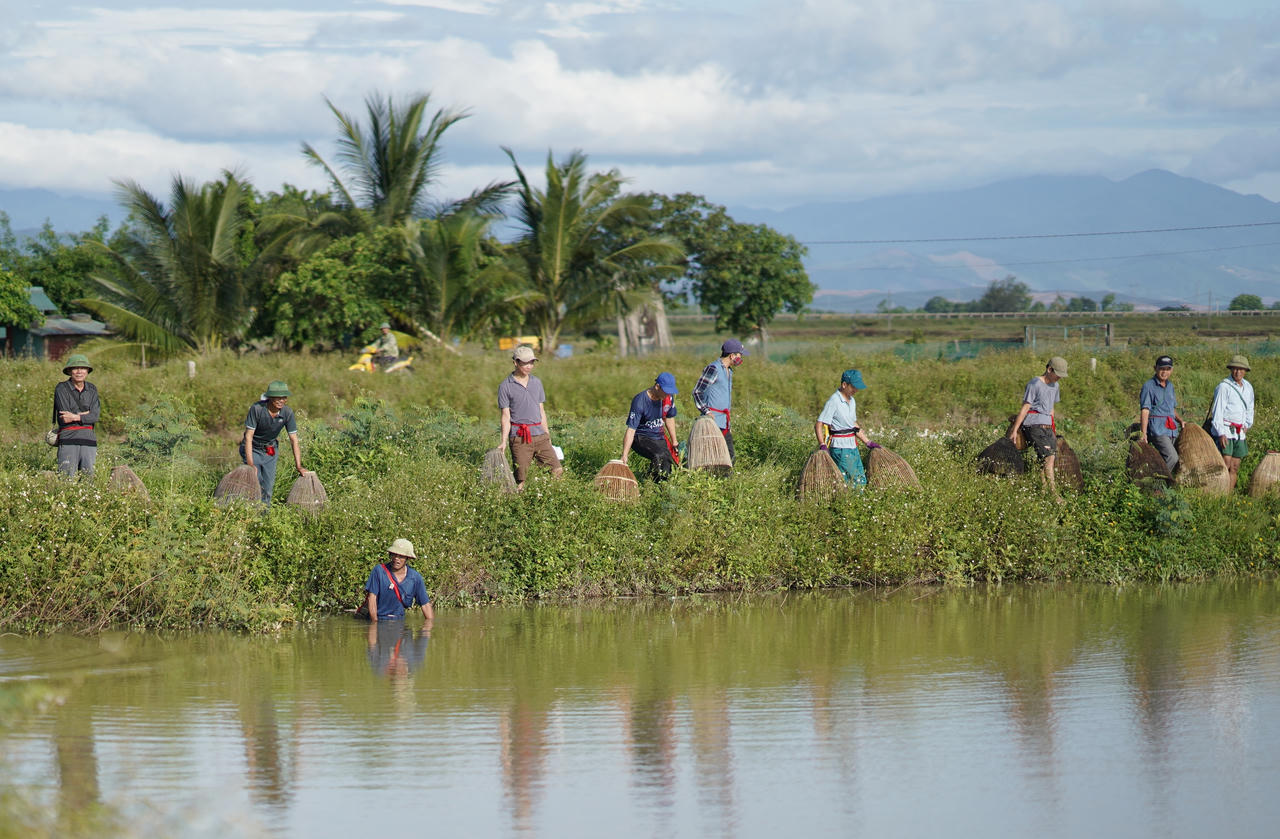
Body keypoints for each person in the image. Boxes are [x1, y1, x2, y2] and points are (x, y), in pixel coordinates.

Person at [498, 345, 564, 489]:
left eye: (532, 362)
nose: (529, 366)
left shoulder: (537, 382)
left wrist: (547, 434)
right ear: (515, 362)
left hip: (540, 435)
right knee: (521, 479)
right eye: (525, 363)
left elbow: (541, 411)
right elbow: (505, 416)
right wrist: (503, 441)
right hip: (519, 437)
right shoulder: (505, 386)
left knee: (557, 470)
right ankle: (518, 506)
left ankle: (550, 499)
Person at [240, 380, 308, 506]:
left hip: (270, 450)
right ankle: (250, 513)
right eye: (278, 397)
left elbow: (294, 439)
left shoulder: (287, 413)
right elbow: (248, 437)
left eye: (284, 397)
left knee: (268, 486)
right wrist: (250, 464)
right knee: (256, 481)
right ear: (270, 398)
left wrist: (299, 466)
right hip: (253, 448)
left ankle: (264, 517)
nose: (281, 400)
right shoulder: (257, 409)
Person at [1009, 356, 1068, 495]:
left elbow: (1051, 407)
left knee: (1046, 459)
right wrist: (1015, 429)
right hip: (1034, 425)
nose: (1059, 378)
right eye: (1057, 374)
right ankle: (1054, 494)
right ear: (1049, 369)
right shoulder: (1034, 384)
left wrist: (1053, 428)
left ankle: (1042, 491)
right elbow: (1025, 407)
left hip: (1048, 426)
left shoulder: (1056, 385)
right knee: (1049, 458)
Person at [814, 368, 879, 485]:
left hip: (853, 446)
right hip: (840, 448)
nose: (856, 390)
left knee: (860, 479)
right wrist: (822, 445)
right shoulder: (833, 401)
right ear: (844, 385)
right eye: (853, 387)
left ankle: (855, 501)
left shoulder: (852, 401)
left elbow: (852, 424)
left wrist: (867, 442)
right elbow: (819, 424)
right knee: (851, 481)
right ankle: (850, 501)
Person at [692, 338, 747, 464]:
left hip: (724, 422)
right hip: (712, 422)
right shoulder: (713, 368)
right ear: (732, 355)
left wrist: (729, 423)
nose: (741, 358)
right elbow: (697, 392)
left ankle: (725, 483)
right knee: (711, 458)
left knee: (729, 457)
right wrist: (706, 411)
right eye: (740, 355)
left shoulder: (729, 371)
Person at [621, 372, 680, 481]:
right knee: (659, 455)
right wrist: (624, 455)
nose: (668, 395)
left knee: (668, 464)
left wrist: (674, 442)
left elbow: (669, 418)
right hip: (641, 437)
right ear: (657, 387)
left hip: (659, 437)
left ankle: (653, 485)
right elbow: (631, 429)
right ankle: (650, 484)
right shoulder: (640, 401)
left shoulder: (668, 398)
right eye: (666, 391)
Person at [1209, 354, 1255, 488]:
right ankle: (1219, 494)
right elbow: (1217, 411)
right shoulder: (1224, 387)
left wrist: (1247, 424)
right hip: (1226, 430)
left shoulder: (1248, 387)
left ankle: (1228, 497)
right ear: (1231, 370)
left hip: (1240, 433)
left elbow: (1250, 408)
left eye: (1241, 369)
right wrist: (1221, 433)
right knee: (1225, 464)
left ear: (1245, 371)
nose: (1238, 372)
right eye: (1235, 369)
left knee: (1234, 467)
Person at [364, 538, 435, 624]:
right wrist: (374, 625)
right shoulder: (379, 571)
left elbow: (425, 605)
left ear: (407, 558)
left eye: (401, 556)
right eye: (394, 555)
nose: (396, 559)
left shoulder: (415, 578)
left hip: (399, 622)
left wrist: (429, 628)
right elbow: (372, 598)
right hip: (379, 619)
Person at [52, 353, 100, 478]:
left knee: (88, 480)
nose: (79, 371)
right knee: (66, 479)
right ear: (69, 371)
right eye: (75, 368)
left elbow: (95, 416)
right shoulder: (61, 388)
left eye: (83, 368)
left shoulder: (92, 389)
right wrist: (86, 415)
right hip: (68, 439)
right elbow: (64, 416)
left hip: (89, 440)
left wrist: (74, 416)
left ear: (87, 371)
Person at [1138, 355, 1183, 472]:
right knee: (1172, 457)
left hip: (1171, 429)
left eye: (1168, 369)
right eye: (1162, 369)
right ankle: (1159, 485)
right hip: (1157, 428)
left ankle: (1162, 484)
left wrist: (1181, 420)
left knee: (1166, 458)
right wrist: (1143, 433)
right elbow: (1145, 410)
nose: (1165, 372)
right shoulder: (1149, 386)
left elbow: (1171, 408)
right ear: (1155, 368)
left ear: (1171, 370)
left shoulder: (1170, 386)